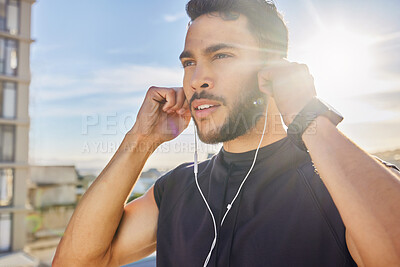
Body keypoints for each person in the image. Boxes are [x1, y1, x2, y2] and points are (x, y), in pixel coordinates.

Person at [53, 0, 400, 266]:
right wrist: (141, 140)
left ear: (273, 67)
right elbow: (78, 261)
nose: (196, 79)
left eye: (221, 55)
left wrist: (306, 113)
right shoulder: (177, 190)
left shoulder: (348, 186)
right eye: (189, 62)